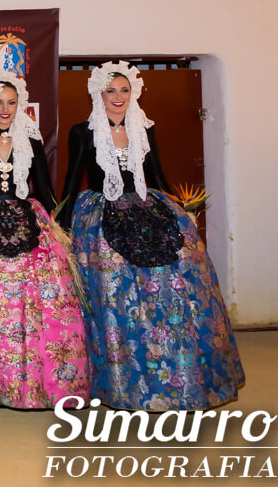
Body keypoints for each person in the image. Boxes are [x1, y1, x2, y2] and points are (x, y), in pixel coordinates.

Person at [58, 61, 244, 410]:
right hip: (103, 214)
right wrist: (64, 230)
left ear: (133, 93)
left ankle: (176, 370)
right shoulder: (82, 131)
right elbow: (71, 179)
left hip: (148, 207)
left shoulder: (145, 128)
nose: (118, 97)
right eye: (111, 91)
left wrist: (180, 210)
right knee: (115, 292)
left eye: (124, 90)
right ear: (99, 94)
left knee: (177, 276)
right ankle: (124, 377)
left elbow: (157, 174)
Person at [0, 71, 89, 408]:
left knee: (38, 303)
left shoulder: (31, 140)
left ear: (19, 105)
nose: (5, 109)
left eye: (11, 103)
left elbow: (44, 188)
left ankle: (40, 382)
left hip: (28, 222)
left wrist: (58, 228)